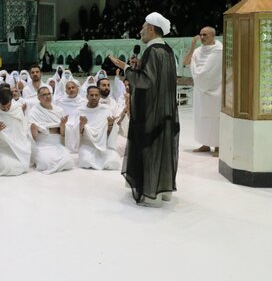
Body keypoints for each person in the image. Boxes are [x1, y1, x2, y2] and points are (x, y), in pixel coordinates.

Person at [109, 12, 179, 207]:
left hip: (151, 110)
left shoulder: (152, 51)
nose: (140, 31)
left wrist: (126, 68)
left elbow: (146, 81)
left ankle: (150, 193)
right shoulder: (167, 50)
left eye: (142, 27)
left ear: (150, 28)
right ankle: (163, 191)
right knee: (161, 148)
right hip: (165, 109)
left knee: (149, 149)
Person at [183, 26, 223, 157]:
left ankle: (218, 146)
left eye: (205, 35)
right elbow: (185, 62)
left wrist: (201, 76)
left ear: (213, 36)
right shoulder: (198, 51)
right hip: (200, 90)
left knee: (216, 117)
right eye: (201, 35)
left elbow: (212, 70)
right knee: (202, 117)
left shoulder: (219, 50)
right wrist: (193, 46)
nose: (202, 37)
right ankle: (205, 144)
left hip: (216, 89)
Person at [28, 86, 74, 174]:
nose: (48, 96)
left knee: (68, 162)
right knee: (44, 163)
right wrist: (55, 128)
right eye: (44, 95)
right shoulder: (34, 111)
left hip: (57, 144)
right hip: (42, 144)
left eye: (49, 94)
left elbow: (63, 132)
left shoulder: (59, 110)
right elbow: (34, 132)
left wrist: (62, 125)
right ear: (39, 98)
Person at [0, 88, 32, 176]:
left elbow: (23, 129)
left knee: (24, 165)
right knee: (7, 167)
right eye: (3, 107)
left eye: (8, 106)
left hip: (18, 145)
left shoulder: (17, 108)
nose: (6, 109)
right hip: (1, 148)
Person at [76, 86, 120, 170]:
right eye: (91, 95)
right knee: (86, 161)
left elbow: (110, 132)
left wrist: (111, 125)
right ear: (87, 96)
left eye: (96, 95)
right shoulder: (80, 110)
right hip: (87, 145)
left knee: (113, 162)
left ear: (100, 96)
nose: (94, 97)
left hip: (103, 145)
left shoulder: (106, 109)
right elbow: (76, 133)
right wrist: (82, 124)